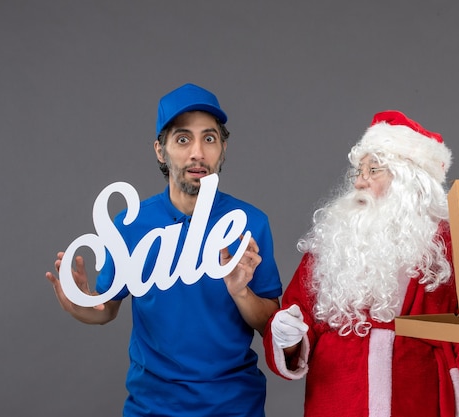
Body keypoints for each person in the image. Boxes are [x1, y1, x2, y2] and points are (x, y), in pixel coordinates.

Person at [263, 110, 459, 417]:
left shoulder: (453, 246)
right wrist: (286, 337)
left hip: (425, 402)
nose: (359, 183)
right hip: (340, 402)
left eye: (374, 171)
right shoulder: (335, 241)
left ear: (408, 181)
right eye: (358, 172)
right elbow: (298, 321)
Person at [46, 83, 283, 416]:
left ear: (223, 148)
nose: (197, 152)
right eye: (183, 139)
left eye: (209, 138)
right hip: (151, 407)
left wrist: (241, 292)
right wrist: (79, 303)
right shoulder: (131, 224)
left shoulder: (249, 223)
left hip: (234, 406)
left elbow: (271, 324)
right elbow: (106, 309)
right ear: (161, 150)